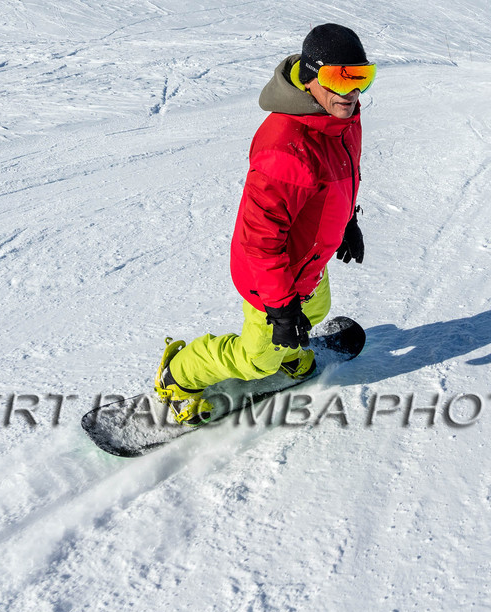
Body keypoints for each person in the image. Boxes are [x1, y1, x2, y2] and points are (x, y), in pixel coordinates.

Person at [154, 23, 373, 424]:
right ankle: (180, 373)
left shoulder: (341, 119)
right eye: (338, 79)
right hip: (270, 272)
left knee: (317, 307)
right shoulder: (286, 149)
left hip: (309, 258)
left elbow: (342, 175)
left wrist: (347, 222)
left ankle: (289, 353)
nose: (351, 92)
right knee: (256, 358)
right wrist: (280, 307)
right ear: (310, 78)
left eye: (361, 77)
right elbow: (261, 242)